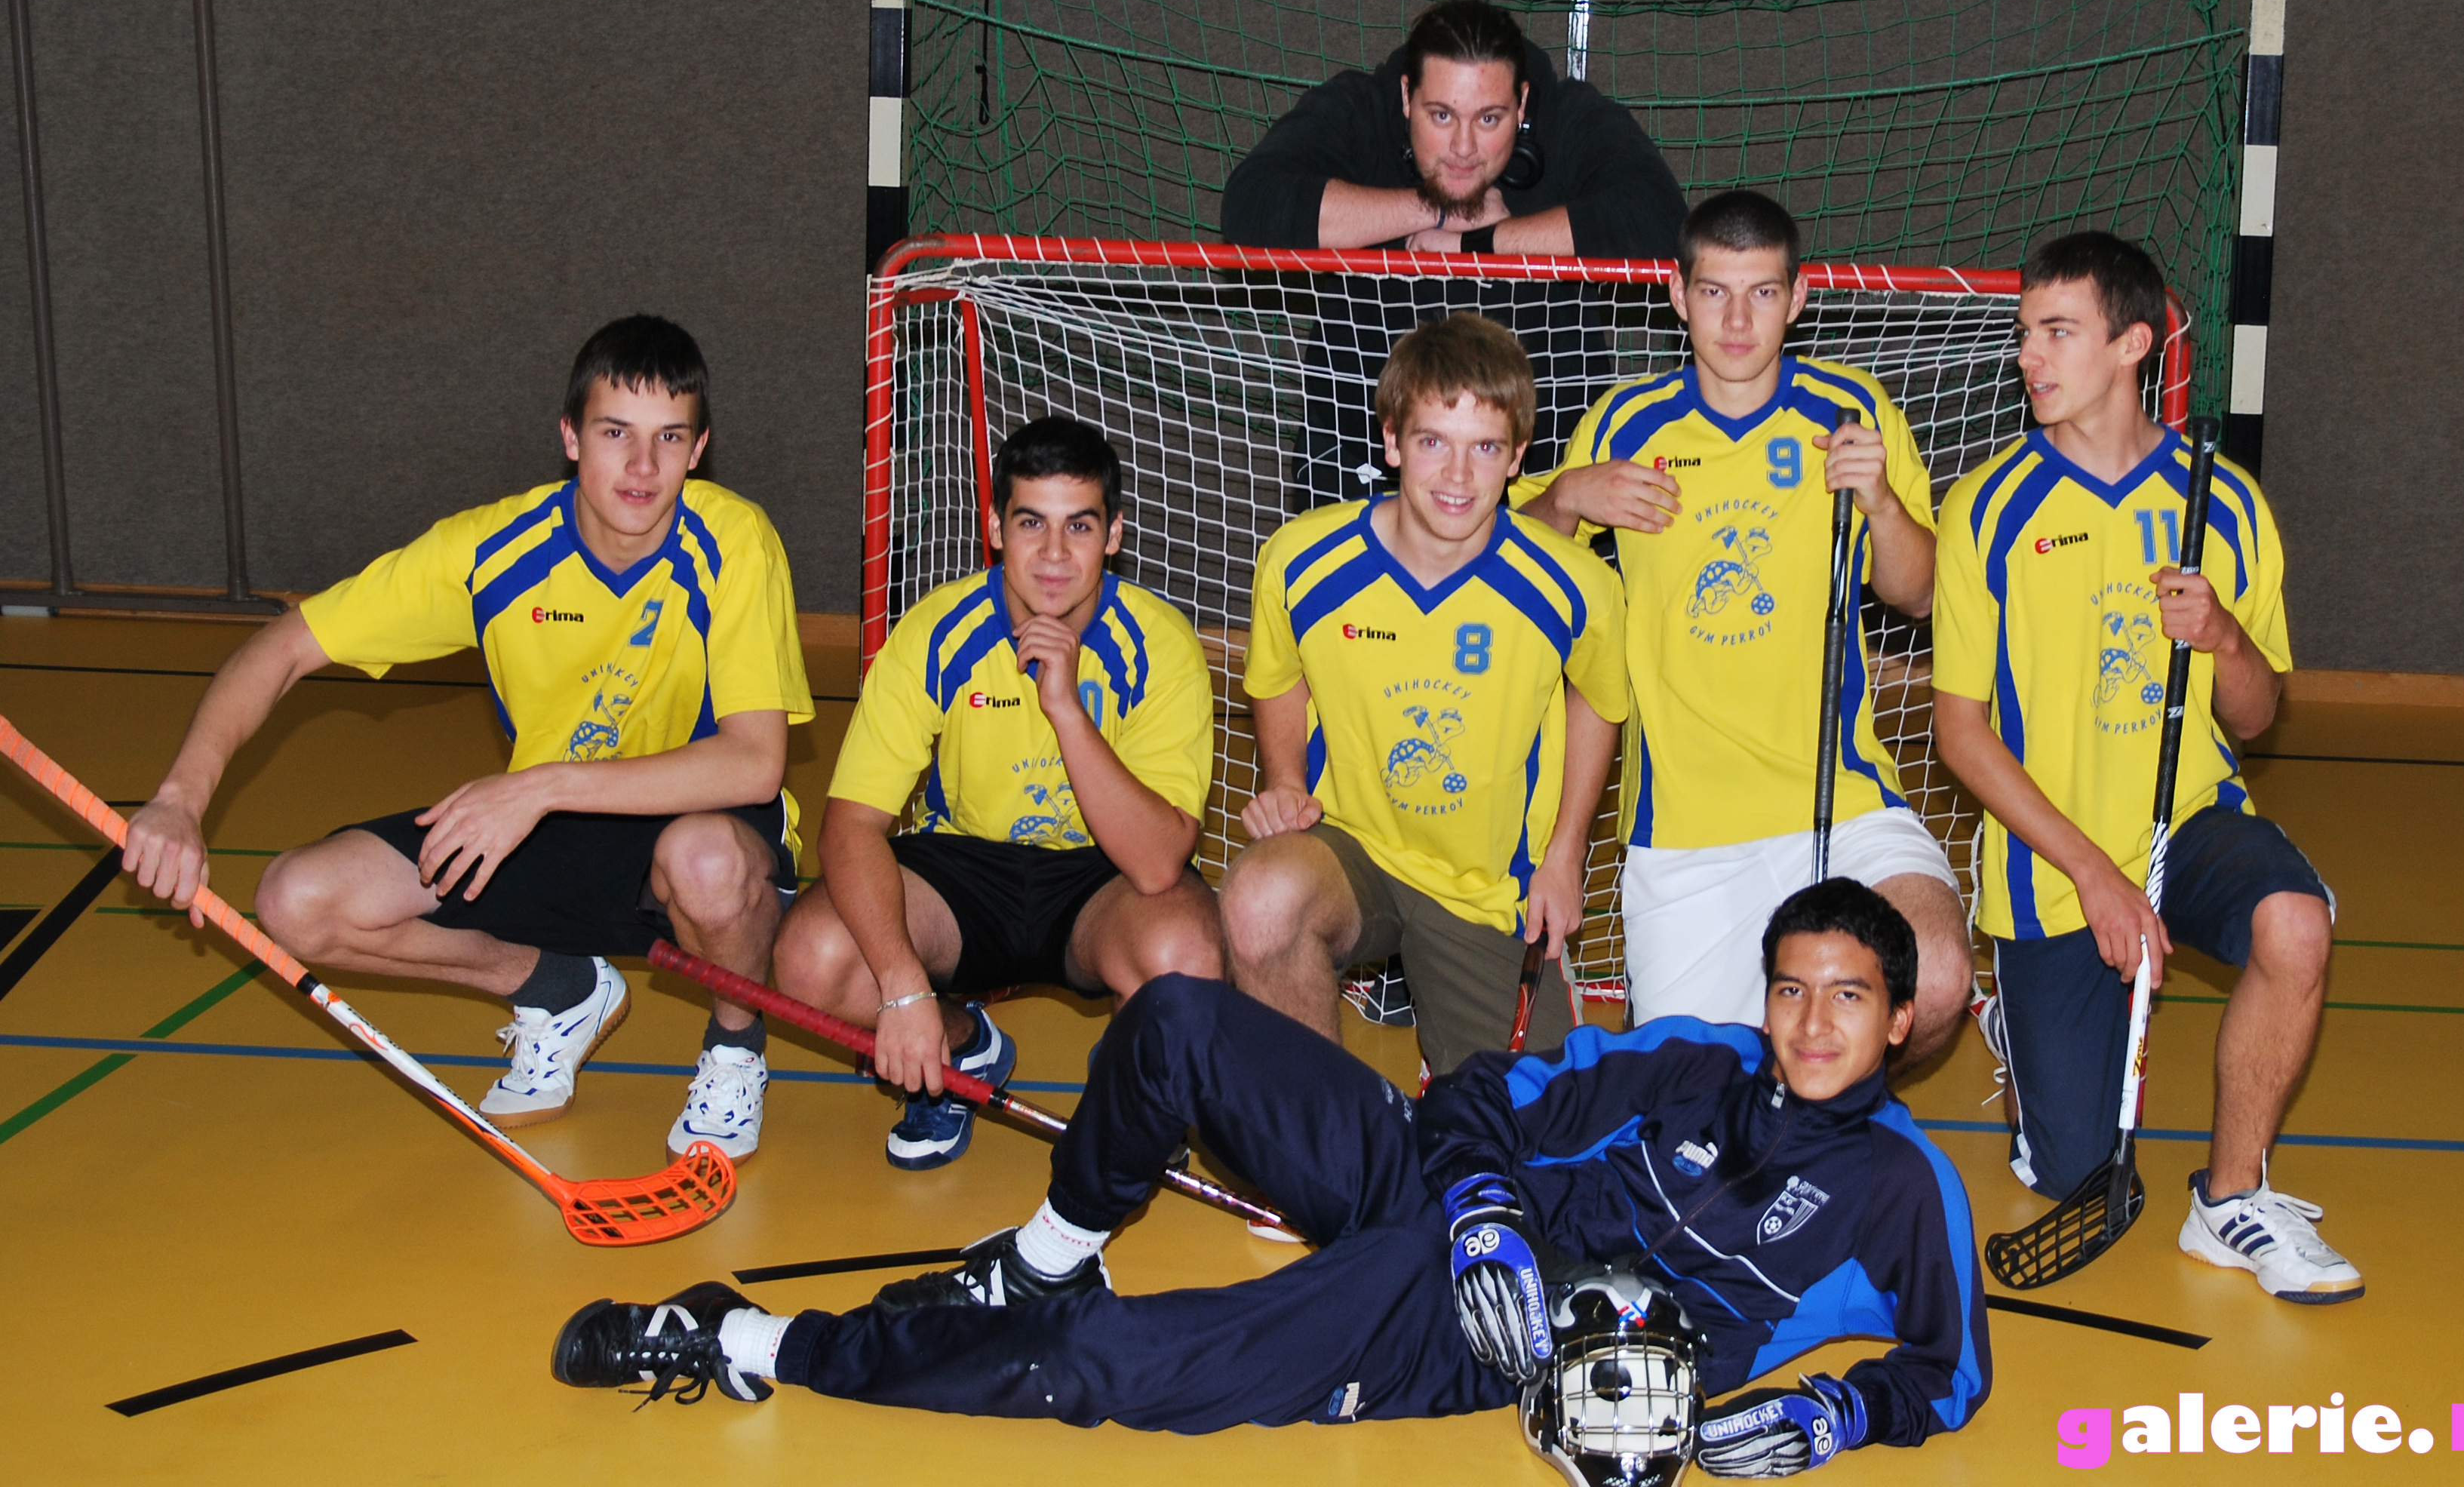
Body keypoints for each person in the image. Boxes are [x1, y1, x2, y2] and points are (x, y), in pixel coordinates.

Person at [548, 877, 1992, 1471]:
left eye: (1848, 997)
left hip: (1478, 1331)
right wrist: (1484, 1203)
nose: (1812, 1022)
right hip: (1455, 1213)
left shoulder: (1899, 1188)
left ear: (1899, 1019)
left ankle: (747, 1338)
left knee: (1107, 1367)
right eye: (1793, 988)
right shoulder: (1693, 1059)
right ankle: (1045, 1253)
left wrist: (1834, 1414)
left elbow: (1949, 1370)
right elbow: (1483, 1096)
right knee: (1177, 1017)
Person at [118, 315, 813, 1159]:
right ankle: (558, 988)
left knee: (705, 860)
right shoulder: (493, 551)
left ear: (698, 450)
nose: (642, 466)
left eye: (669, 437)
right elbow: (285, 648)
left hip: (694, 824)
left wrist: (538, 787)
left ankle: (735, 1050)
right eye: (615, 433)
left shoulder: (733, 541)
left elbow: (753, 763)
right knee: (298, 901)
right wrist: (179, 801)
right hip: (553, 826)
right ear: (570, 438)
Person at [1930, 231, 2360, 1303]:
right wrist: (2094, 875)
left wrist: (2222, 638)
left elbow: (2257, 714)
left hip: (2187, 820)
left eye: (2056, 333)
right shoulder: (1986, 509)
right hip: (2050, 861)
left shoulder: (2224, 505)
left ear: (2132, 344)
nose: (2027, 356)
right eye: (2025, 334)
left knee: (2296, 923)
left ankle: (2233, 1200)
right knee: (2068, 1171)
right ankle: (2018, 1021)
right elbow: (1960, 733)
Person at [1520, 191, 1970, 1064]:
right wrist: (1568, 498)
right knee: (1693, 1091)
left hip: (1837, 801)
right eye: (1714, 293)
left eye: (1761, 293)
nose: (1736, 321)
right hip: (1681, 832)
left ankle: (1831, 1119)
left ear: (1795, 299)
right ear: (1677, 295)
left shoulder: (1850, 409)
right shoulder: (1624, 421)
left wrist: (1879, 503)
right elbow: (1514, 575)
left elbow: (1919, 597)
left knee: (1937, 976)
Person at [771, 418, 1221, 1169]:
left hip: (1100, 876)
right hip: (964, 870)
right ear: (994, 529)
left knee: (1185, 956)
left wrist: (1066, 709)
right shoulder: (937, 634)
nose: (1054, 554)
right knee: (813, 958)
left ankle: (1133, 1083)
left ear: (1113, 535)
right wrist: (903, 991)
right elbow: (848, 827)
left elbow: (1155, 863)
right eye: (1031, 523)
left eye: (1079, 526)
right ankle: (962, 1048)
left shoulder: (1159, 645)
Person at [1221, 313, 1626, 1077]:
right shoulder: (1302, 559)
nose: (1457, 476)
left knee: (1534, 1124)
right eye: (1434, 441)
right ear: (1391, 441)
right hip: (1350, 847)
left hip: (1487, 888)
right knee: (1260, 898)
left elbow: (1599, 699)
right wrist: (1285, 784)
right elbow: (1278, 678)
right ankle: (1327, 1132)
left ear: (1518, 458)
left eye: (1485, 448)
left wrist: (1565, 853)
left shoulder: (1572, 585)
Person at [1221, 0, 1686, 504]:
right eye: (1441, 116)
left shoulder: (1568, 116)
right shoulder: (1361, 108)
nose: (1463, 149)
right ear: (1406, 95)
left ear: (1522, 104)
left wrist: (1485, 241)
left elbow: (1661, 221)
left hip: (1543, 471)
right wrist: (1433, 208)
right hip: (1364, 460)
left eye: (1489, 119)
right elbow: (1251, 207)